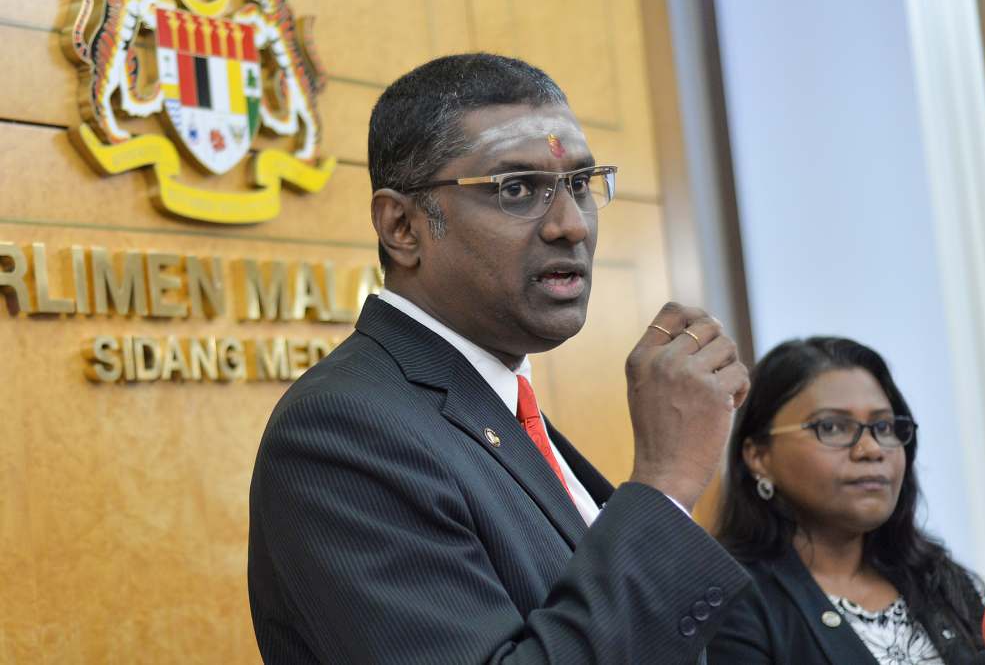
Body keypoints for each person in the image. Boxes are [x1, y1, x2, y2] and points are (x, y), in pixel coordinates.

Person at [247, 53, 752, 663]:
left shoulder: (493, 403)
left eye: (579, 185)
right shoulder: (341, 431)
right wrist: (666, 483)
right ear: (402, 226)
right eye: (517, 189)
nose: (571, 226)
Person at [708, 337, 985, 664]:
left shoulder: (939, 579)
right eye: (832, 427)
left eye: (883, 426)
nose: (871, 449)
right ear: (758, 456)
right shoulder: (727, 599)